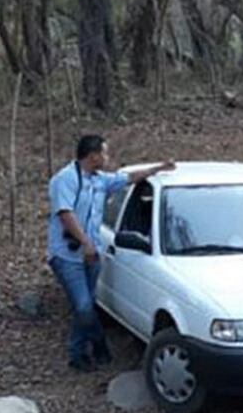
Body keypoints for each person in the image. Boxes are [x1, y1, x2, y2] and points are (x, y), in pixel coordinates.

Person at [47, 136, 175, 371]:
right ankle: (85, 351)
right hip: (68, 255)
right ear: (93, 155)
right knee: (84, 306)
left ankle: (91, 349)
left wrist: (158, 168)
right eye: (104, 154)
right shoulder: (65, 180)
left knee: (85, 305)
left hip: (93, 253)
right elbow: (65, 214)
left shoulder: (100, 180)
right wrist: (85, 242)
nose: (107, 158)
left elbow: (127, 178)